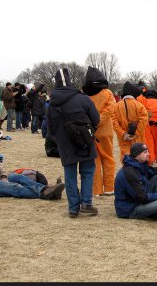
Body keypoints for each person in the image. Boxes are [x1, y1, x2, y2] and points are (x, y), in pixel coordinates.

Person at [48, 68, 100, 218]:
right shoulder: (83, 98)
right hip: (85, 140)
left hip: (65, 144)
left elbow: (49, 130)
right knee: (88, 172)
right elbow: (96, 119)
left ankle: (73, 208)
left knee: (70, 175)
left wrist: (59, 140)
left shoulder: (52, 104)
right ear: (70, 80)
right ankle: (86, 203)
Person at [0, 128, 65, 199]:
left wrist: (4, 175)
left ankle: (46, 189)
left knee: (19, 177)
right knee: (14, 187)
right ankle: (45, 195)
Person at [114, 142, 157, 219]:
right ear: (137, 155)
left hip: (139, 200)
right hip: (130, 209)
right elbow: (142, 197)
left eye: (147, 151)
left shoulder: (140, 164)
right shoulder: (130, 172)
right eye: (145, 152)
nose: (148, 154)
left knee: (156, 178)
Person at [82, 66, 116, 196]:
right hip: (106, 131)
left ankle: (96, 190)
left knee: (94, 160)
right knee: (108, 158)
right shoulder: (107, 93)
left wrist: (91, 122)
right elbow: (110, 109)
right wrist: (100, 120)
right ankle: (109, 188)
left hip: (90, 131)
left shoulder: (84, 94)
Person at [112, 81, 148, 162]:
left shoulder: (116, 106)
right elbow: (144, 120)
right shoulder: (139, 105)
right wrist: (136, 133)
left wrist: (123, 134)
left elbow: (114, 122)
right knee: (139, 158)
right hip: (138, 139)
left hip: (124, 139)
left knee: (126, 159)